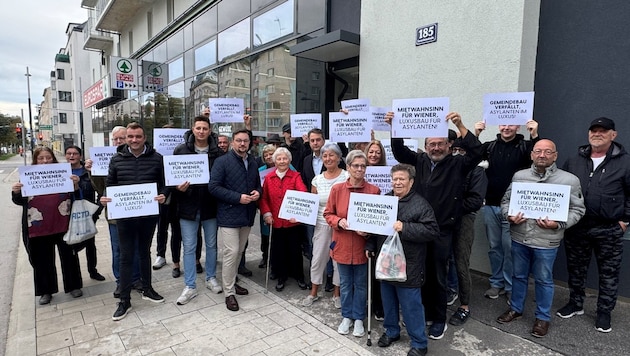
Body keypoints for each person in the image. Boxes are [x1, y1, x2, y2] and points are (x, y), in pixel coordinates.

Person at [384, 111, 481, 340]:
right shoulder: (420, 161)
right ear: (425, 146)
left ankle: (438, 320)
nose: (435, 148)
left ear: (449, 145)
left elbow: (477, 152)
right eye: (431, 144)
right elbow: (399, 152)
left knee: (438, 277)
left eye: (440, 144)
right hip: (415, 229)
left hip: (441, 231)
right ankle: (425, 313)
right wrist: (394, 127)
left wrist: (460, 125)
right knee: (419, 274)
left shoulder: (459, 164)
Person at [497, 139, 585, 338]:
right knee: (518, 276)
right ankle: (516, 309)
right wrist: (508, 215)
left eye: (547, 152)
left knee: (544, 280)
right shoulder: (519, 176)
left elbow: (578, 209)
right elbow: (505, 201)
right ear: (532, 154)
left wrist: (559, 223)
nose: (542, 155)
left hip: (547, 240)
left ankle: (542, 318)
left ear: (555, 155)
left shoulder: (569, 180)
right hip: (520, 236)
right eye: (538, 151)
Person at [557, 117, 630, 333]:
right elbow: (561, 188)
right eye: (593, 131)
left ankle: (604, 312)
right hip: (578, 226)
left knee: (608, 273)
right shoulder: (575, 159)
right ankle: (575, 303)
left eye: (603, 131)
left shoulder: (625, 162)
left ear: (613, 135)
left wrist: (624, 220)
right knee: (576, 268)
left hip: (608, 228)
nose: (597, 134)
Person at [366, 164, 440, 356]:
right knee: (388, 302)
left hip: (409, 265)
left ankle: (419, 343)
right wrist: (370, 246)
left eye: (402, 179)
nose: (397, 182)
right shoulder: (385, 200)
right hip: (385, 263)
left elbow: (432, 230)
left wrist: (405, 227)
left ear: (411, 182)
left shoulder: (420, 204)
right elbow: (375, 229)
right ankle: (392, 332)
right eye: (395, 179)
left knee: (411, 306)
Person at [102, 122, 168, 321]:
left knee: (145, 253)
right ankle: (124, 300)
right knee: (126, 256)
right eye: (130, 137)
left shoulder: (157, 159)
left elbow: (164, 184)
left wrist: (163, 195)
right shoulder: (116, 159)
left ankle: (147, 289)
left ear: (144, 137)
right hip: (124, 216)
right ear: (126, 138)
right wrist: (104, 198)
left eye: (138, 136)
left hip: (148, 215)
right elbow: (110, 184)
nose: (134, 140)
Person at [475, 119, 539, 301]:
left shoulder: (526, 147)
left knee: (510, 248)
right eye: (503, 124)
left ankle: (510, 286)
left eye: (511, 124)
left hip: (515, 208)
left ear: (518, 127)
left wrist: (534, 134)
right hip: (491, 206)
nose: (506, 127)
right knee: (495, 248)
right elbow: (470, 156)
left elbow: (540, 158)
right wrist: (476, 134)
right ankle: (496, 283)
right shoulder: (489, 147)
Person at [11, 146, 83, 305]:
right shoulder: (27, 176)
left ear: (53, 158)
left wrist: (76, 185)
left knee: (69, 256)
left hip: (63, 222)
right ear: (35, 160)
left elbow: (76, 195)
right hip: (38, 225)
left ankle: (73, 286)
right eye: (41, 158)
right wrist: (16, 192)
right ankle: (46, 291)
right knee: (42, 259)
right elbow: (19, 202)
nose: (45, 161)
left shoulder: (64, 174)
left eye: (48, 157)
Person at [324, 150, 380, 337]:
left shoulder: (374, 190)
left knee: (362, 285)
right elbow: (328, 214)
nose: (359, 169)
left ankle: (358, 318)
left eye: (363, 166)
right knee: (346, 284)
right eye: (355, 165)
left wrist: (369, 230)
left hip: (363, 247)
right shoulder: (337, 189)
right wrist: (339, 221)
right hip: (342, 244)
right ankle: (346, 316)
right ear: (348, 167)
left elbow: (378, 220)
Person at [85, 126, 142, 298]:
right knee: (118, 250)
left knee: (138, 248)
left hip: (137, 212)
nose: (118, 142)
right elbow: (101, 189)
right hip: (115, 215)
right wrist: (91, 172)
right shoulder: (105, 159)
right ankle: (121, 281)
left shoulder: (138, 158)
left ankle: (136, 278)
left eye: (121, 138)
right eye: (115, 139)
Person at [208, 129, 262, 312]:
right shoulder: (221, 162)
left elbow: (257, 184)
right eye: (238, 141)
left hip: (247, 214)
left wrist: (258, 192)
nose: (242, 144)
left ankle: (231, 281)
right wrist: (237, 197)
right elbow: (213, 187)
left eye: (245, 141)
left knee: (239, 253)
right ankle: (229, 292)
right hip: (229, 213)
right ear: (232, 143)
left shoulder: (253, 162)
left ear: (249, 143)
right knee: (232, 252)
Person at [173, 116, 224, 305]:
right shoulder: (180, 150)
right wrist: (177, 188)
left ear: (210, 131)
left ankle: (211, 278)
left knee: (211, 245)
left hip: (210, 206)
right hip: (187, 206)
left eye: (205, 128)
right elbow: (171, 178)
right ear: (192, 129)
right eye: (198, 128)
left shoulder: (217, 153)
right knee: (189, 247)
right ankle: (190, 285)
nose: (201, 131)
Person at [301, 143, 348, 307]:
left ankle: (337, 294)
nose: (328, 158)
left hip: (341, 227)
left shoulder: (347, 177)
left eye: (331, 155)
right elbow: (312, 205)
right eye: (325, 156)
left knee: (338, 261)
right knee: (318, 258)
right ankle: (313, 292)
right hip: (321, 224)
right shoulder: (317, 180)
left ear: (339, 158)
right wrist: (299, 216)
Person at [447, 138, 488, 326]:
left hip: (463, 220)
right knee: (442, 260)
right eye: (453, 149)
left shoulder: (477, 171)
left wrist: (448, 207)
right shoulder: (446, 167)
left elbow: (475, 201)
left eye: (460, 150)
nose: (456, 153)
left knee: (461, 262)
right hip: (444, 220)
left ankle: (464, 306)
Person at [260, 147, 308, 291]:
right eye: (279, 159)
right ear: (274, 161)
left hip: (292, 221)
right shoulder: (268, 178)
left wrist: (299, 214)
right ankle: (282, 276)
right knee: (279, 250)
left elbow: (303, 193)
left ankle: (299, 276)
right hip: (275, 221)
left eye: (284, 158)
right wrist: (267, 214)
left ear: (289, 160)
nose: (282, 161)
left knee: (295, 251)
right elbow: (263, 198)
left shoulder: (295, 176)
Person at [65, 145, 105, 281]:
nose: (71, 156)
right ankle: (74, 277)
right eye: (69, 153)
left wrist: (97, 209)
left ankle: (93, 271)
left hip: (87, 213)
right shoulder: (61, 172)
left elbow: (100, 190)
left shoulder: (88, 171)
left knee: (90, 243)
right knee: (70, 245)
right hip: (67, 214)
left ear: (80, 156)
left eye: (75, 153)